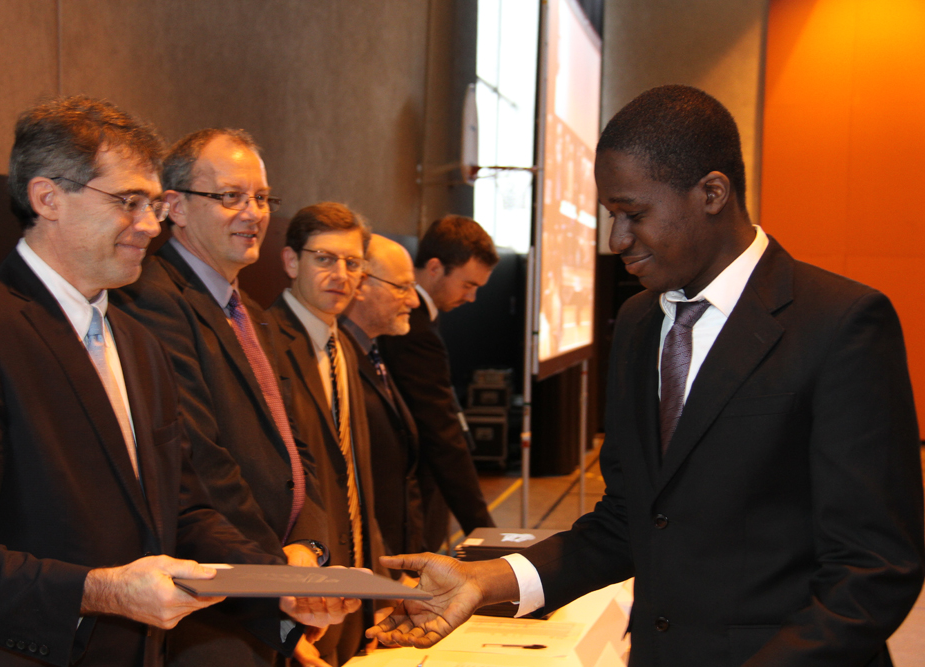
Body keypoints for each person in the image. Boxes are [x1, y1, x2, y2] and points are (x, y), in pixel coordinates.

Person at [367, 85, 925, 666]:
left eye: (633, 214)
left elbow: (874, 569)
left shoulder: (839, 323)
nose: (617, 240)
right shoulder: (639, 322)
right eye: (612, 216)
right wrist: (487, 581)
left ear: (712, 193)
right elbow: (628, 521)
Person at [0, 96, 356, 667]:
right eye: (129, 202)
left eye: (154, 205)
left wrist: (280, 586)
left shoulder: (136, 342)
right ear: (48, 198)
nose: (152, 226)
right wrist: (99, 591)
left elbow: (184, 510)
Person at [113, 128, 334, 667]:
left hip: (275, 586)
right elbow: (202, 465)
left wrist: (309, 547)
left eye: (261, 197)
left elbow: (295, 447)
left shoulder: (250, 311)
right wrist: (277, 578)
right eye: (230, 196)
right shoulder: (151, 301)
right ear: (176, 207)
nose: (252, 213)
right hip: (214, 614)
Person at [267, 202, 388, 665]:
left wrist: (374, 588)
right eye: (324, 259)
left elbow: (354, 476)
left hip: (350, 588)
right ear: (291, 261)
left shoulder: (344, 348)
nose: (340, 274)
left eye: (352, 263)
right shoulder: (263, 341)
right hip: (299, 595)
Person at [378, 215, 499, 551]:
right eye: (468, 285)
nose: (471, 298)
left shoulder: (422, 324)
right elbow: (441, 433)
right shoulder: (413, 331)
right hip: (411, 497)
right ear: (434, 268)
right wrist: (485, 531)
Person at [340, 234, 424, 557]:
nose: (414, 301)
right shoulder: (335, 360)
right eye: (402, 287)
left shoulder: (373, 351)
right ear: (360, 285)